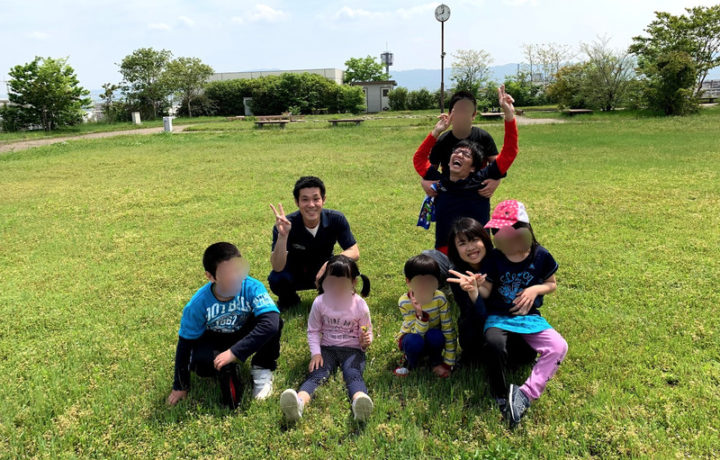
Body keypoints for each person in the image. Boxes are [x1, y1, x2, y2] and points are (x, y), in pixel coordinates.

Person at [451, 201, 568, 427]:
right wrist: (474, 288)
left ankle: (525, 394)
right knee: (494, 344)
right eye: (498, 233)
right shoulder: (495, 258)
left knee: (558, 346)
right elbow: (488, 289)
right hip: (499, 317)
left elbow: (551, 284)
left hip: (529, 318)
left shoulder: (541, 255)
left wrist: (535, 289)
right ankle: (500, 395)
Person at [167, 242, 282, 409]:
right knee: (202, 366)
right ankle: (226, 368)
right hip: (213, 339)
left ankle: (262, 368)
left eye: (238, 269)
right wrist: (180, 386)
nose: (235, 277)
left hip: (242, 331)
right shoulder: (197, 304)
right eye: (227, 273)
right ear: (211, 276)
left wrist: (235, 352)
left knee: (275, 322)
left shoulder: (252, 286)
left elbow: (271, 323)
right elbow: (185, 344)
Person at [413, 86, 519, 253]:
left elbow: (509, 153)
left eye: (465, 154)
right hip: (446, 248)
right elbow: (420, 160)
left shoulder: (480, 180)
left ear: (473, 168)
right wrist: (436, 132)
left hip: (478, 251)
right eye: (456, 152)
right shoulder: (442, 183)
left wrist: (509, 115)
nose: (459, 154)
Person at [279, 255, 374, 423]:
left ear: (353, 283)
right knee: (317, 375)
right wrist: (316, 354)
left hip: (352, 349)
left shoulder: (360, 305)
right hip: (327, 348)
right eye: (331, 282)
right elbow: (313, 330)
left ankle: (360, 403)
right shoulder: (320, 302)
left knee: (353, 374)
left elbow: (367, 332)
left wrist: (365, 341)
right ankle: (298, 403)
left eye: (342, 283)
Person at [268, 176, 359, 310]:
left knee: (346, 269)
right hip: (295, 272)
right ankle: (289, 299)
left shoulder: (336, 219)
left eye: (316, 199)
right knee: (277, 278)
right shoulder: (286, 224)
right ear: (297, 202)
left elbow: (354, 251)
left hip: (324, 271)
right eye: (305, 199)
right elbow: (277, 266)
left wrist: (329, 264)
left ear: (323, 200)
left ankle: (330, 295)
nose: (311, 205)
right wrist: (283, 236)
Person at [393, 254, 457, 377]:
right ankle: (410, 363)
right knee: (413, 341)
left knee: (436, 335)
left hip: (433, 338)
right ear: (408, 281)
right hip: (412, 336)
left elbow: (448, 329)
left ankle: (436, 362)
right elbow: (416, 334)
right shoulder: (404, 302)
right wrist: (419, 313)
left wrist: (448, 363)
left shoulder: (440, 298)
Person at [445, 217, 494, 366]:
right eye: (462, 243)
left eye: (474, 240)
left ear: (484, 239)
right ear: (455, 249)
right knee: (468, 323)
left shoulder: (498, 262)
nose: (470, 247)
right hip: (476, 325)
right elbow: (468, 312)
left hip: (504, 321)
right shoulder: (457, 275)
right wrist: (473, 293)